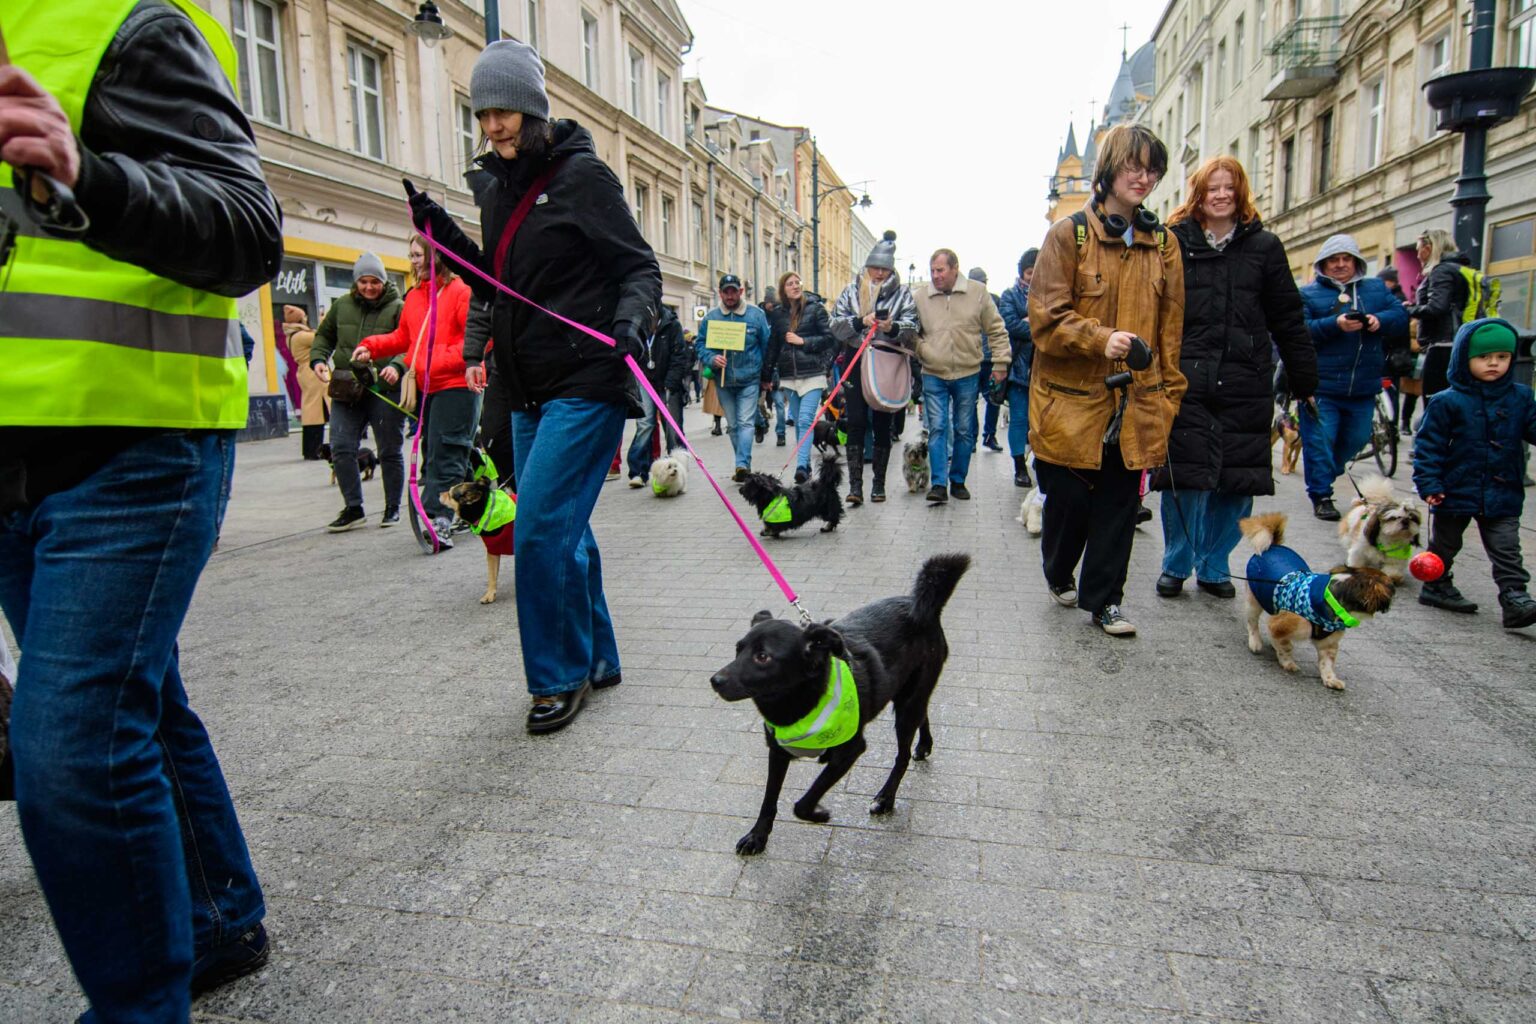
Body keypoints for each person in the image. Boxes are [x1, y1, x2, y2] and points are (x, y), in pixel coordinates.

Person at [0, 1, 281, 1016]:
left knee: (69, 750)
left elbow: (251, 232)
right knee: (138, 700)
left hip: (132, 445)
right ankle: (217, 914)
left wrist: (92, 178)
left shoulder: (125, 21)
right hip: (13, 463)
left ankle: (137, 1005)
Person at [408, 39, 661, 732]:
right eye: (483, 112)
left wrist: (632, 323)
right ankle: (600, 658)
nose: (494, 125)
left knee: (542, 531)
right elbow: (497, 280)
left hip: (587, 377)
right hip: (524, 390)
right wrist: (442, 234)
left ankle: (557, 677)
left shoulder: (585, 178)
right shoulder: (493, 185)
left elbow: (640, 269)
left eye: (507, 111)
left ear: (535, 109)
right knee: (566, 530)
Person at [1028, 123, 1186, 637]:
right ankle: (1057, 569)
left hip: (1137, 401)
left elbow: (1170, 331)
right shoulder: (1068, 234)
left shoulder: (1162, 244)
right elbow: (1046, 319)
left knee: (1119, 508)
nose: (1144, 177)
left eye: (1152, 169)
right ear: (1110, 169)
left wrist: (1168, 399)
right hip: (1069, 402)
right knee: (1069, 501)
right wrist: (1102, 339)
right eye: (1134, 166)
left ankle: (1105, 602)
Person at [1150, 156, 1318, 599]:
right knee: (1184, 475)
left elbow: (1287, 317)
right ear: (1199, 195)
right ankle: (1176, 562)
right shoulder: (1174, 242)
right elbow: (1154, 308)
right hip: (1187, 377)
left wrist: (1304, 378)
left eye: (1229, 187)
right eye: (1212, 188)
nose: (1221, 194)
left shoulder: (1264, 246)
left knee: (1236, 479)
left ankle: (1214, 563)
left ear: (1240, 192)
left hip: (1247, 379)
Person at [1413, 318, 1536, 628]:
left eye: (1502, 357)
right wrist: (1429, 483)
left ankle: (1515, 597)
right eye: (1484, 357)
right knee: (1446, 544)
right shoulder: (1447, 401)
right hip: (1454, 488)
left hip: (1503, 489)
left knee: (1506, 547)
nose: (1494, 363)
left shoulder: (1520, 397)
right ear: (1464, 359)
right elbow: (1429, 446)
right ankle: (1436, 584)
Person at [354, 234, 474, 544]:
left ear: (436, 256)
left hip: (458, 385)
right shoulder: (417, 296)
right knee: (442, 450)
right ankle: (476, 500)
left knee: (445, 452)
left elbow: (478, 340)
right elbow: (405, 337)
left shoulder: (461, 292)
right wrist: (370, 347)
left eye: (419, 255)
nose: (414, 261)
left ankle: (440, 519)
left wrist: (432, 361)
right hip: (429, 387)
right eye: (412, 255)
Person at [1297, 234, 1409, 520]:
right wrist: (1335, 325)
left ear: (1356, 262)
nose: (1340, 265)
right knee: (1320, 441)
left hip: (1363, 385)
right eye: (1334, 260)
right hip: (1322, 385)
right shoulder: (1309, 294)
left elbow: (1401, 316)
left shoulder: (1375, 289)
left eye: (1346, 259)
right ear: (1323, 264)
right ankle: (1321, 494)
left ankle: (1324, 473)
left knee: (1357, 439)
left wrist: (1378, 321)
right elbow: (1300, 331)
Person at [309, 253, 407, 530]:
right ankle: (353, 508)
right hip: (346, 388)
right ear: (356, 282)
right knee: (340, 447)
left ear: (383, 281)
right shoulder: (342, 305)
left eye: (374, 281)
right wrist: (318, 359)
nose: (368, 287)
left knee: (389, 449)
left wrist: (398, 366)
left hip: (383, 388)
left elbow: (409, 342)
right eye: (363, 281)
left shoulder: (398, 307)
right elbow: (324, 336)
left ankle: (391, 508)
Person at [912, 249, 1010, 503]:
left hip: (968, 372)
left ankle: (958, 481)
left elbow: (997, 329)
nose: (935, 275)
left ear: (955, 268)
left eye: (940, 270)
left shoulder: (977, 293)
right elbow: (910, 331)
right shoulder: (920, 297)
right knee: (937, 428)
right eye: (932, 270)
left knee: (965, 430)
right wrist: (923, 349)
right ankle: (938, 485)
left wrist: (1000, 362)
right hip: (933, 372)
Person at [830, 231, 920, 504]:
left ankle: (878, 484)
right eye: (875, 268)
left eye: (884, 269)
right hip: (856, 360)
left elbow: (913, 327)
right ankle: (855, 486)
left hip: (886, 362)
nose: (879, 274)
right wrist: (860, 322)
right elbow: (835, 324)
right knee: (855, 420)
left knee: (883, 422)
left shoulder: (903, 294)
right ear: (867, 267)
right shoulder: (850, 291)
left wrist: (892, 327)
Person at [1405, 228, 1495, 432]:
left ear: (1428, 249)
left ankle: (1437, 447)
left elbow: (1438, 307)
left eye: (1419, 249)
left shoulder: (1441, 271)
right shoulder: (1460, 270)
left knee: (1435, 400)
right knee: (1457, 401)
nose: (1418, 254)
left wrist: (1410, 309)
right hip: (1461, 344)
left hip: (1443, 345)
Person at [695, 274, 773, 481]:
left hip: (749, 378)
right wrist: (712, 358)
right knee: (733, 425)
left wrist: (768, 376)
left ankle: (742, 465)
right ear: (720, 293)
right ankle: (743, 461)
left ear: (740, 291)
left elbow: (767, 346)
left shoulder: (756, 315)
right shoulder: (712, 318)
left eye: (733, 291)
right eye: (725, 292)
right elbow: (700, 344)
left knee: (745, 422)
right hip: (724, 380)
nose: (730, 296)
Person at [763, 272, 835, 483]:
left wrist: (803, 341)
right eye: (789, 283)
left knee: (805, 420)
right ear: (783, 289)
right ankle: (805, 466)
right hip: (788, 376)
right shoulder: (778, 315)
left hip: (812, 373)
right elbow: (773, 346)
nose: (795, 286)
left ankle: (802, 466)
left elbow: (829, 339)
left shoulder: (815, 309)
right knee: (799, 423)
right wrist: (766, 375)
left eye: (797, 283)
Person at [625, 304, 690, 485]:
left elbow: (680, 356)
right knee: (645, 424)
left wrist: (671, 383)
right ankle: (638, 472)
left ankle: (679, 469)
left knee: (672, 427)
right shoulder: (638, 325)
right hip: (644, 381)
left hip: (668, 383)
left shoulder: (672, 325)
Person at [998, 249, 1038, 487]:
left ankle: (1039, 460)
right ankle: (1019, 467)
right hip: (1019, 369)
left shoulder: (1052, 294)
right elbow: (1010, 326)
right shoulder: (1010, 295)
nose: (1034, 277)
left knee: (1043, 422)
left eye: (1037, 271)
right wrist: (1039, 327)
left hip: (1046, 369)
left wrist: (1031, 322)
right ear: (1022, 272)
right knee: (1020, 419)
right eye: (1030, 272)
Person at [284, 305, 331, 460]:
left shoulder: (293, 335)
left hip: (305, 372)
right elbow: (322, 337)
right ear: (299, 319)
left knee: (312, 409)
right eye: (303, 316)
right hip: (313, 372)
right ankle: (314, 449)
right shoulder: (302, 335)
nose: (306, 318)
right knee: (316, 410)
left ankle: (311, 449)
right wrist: (325, 321)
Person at [970, 267, 1006, 453]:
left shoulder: (995, 300)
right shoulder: (964, 301)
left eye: (983, 282)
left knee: (994, 400)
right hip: (972, 361)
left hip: (991, 360)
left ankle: (989, 436)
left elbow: (1001, 330)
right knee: (970, 402)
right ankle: (973, 437)